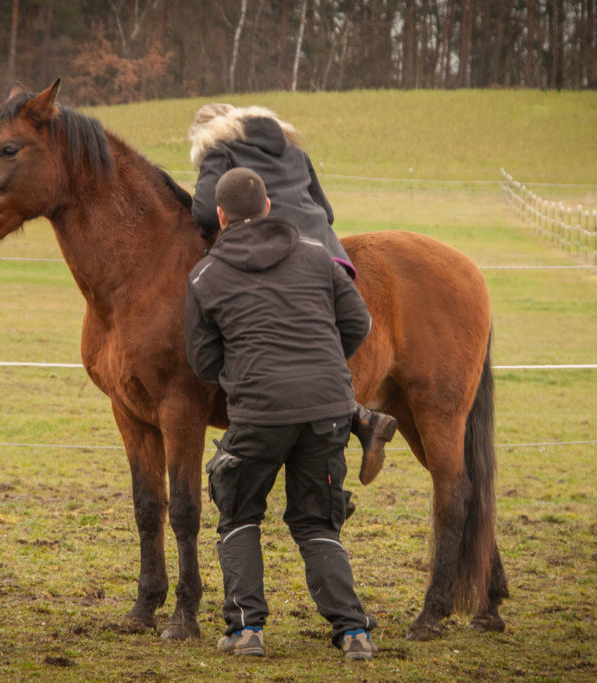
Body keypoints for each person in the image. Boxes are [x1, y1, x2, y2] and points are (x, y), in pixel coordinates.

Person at [185, 167, 377, 661]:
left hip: (258, 414)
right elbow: (358, 321)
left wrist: (250, 375)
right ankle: (354, 632)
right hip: (331, 411)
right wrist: (325, 366)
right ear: (269, 206)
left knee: (239, 513)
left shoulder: (205, 275)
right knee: (317, 524)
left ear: (221, 216)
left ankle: (247, 630)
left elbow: (204, 362)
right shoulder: (317, 256)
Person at [189, 103, 396, 485]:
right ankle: (357, 421)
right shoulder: (293, 149)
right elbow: (327, 211)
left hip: (277, 260)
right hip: (328, 258)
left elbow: (204, 211)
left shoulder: (220, 150)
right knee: (313, 347)